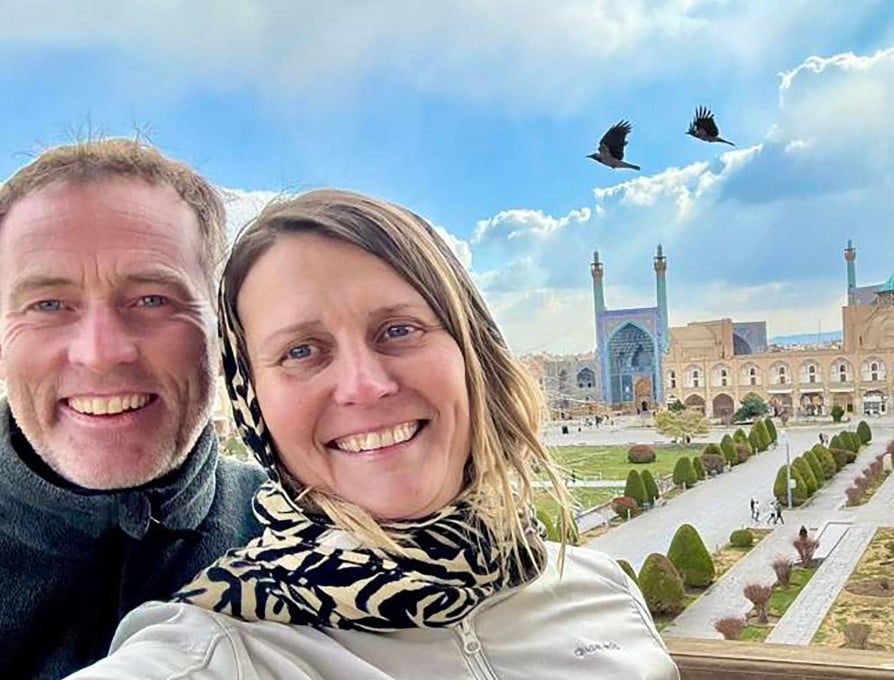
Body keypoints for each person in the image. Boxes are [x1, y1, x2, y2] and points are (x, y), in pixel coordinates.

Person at [70, 190, 679, 678]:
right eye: (302, 350)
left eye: (399, 330)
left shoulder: (598, 591)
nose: (365, 386)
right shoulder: (221, 652)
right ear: (253, 400)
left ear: (472, 353)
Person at [0, 139, 266, 678]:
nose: (100, 353)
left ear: (222, 332)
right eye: (49, 304)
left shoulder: (316, 536)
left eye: (152, 299)